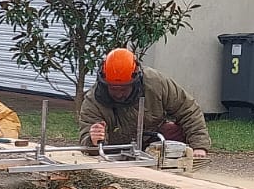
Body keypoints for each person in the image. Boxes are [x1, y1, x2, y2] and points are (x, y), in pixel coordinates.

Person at [80, 47, 210, 159]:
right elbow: (87, 145)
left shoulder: (155, 83)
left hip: (151, 141)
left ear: (136, 79)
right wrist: (93, 140)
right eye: (113, 88)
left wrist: (199, 147)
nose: (119, 94)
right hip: (114, 149)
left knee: (173, 130)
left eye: (124, 88)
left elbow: (187, 109)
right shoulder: (93, 101)